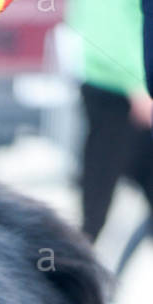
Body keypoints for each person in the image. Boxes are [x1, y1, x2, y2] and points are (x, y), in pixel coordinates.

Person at [68, 0, 153, 242]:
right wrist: (136, 85)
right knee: (96, 206)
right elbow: (108, 25)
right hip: (120, 91)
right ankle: (74, 268)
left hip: (119, 84)